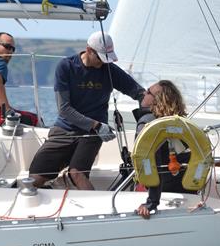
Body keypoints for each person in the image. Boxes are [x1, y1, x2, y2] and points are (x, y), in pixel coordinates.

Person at [28, 31, 144, 190]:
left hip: (93, 134)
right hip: (66, 129)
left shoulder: (109, 69)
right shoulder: (66, 66)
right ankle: (56, 189)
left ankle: (100, 211)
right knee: (33, 180)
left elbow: (138, 92)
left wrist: (152, 108)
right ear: (88, 50)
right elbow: (64, 109)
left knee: (77, 174)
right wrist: (96, 125)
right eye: (100, 58)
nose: (103, 63)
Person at [134, 80, 193, 220]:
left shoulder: (148, 122)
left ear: (157, 101)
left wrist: (151, 203)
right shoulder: (178, 121)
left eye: (148, 92)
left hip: (165, 188)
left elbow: (153, 161)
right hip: (186, 185)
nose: (144, 94)